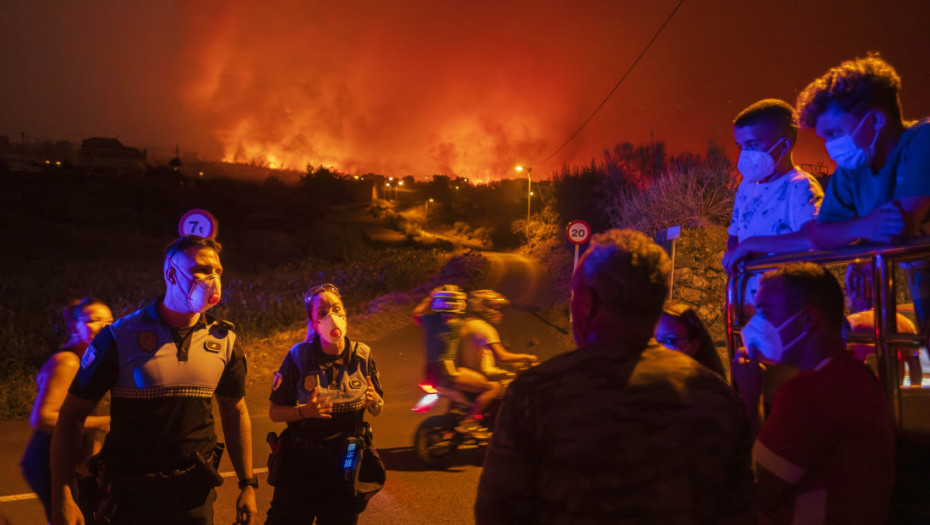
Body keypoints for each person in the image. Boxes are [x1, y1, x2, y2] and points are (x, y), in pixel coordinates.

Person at [476, 229, 754, 523]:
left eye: (574, 294)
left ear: (587, 303)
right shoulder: (714, 395)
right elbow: (740, 509)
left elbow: (497, 511)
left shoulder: (537, 392)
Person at [50, 235, 256, 525]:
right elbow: (71, 415)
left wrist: (248, 483)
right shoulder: (119, 337)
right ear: (171, 272)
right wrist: (62, 494)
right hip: (131, 497)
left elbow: (235, 410)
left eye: (217, 271)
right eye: (201, 270)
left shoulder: (225, 341)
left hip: (194, 496)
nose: (212, 279)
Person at [733, 262, 895, 524]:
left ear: (807, 319)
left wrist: (750, 397)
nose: (755, 324)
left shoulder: (808, 394)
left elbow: (753, 493)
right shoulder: (856, 375)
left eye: (765, 313)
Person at [797, 53, 930, 328]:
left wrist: (859, 241)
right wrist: (864, 229)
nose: (830, 146)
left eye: (835, 133)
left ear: (876, 120)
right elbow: (821, 234)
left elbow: (900, 225)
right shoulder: (853, 167)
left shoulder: (923, 140)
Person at [266, 283, 384, 525]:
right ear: (313, 321)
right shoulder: (298, 356)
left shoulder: (363, 355)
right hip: (301, 466)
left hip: (346, 467)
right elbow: (274, 413)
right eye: (322, 313)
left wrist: (375, 403)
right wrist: (304, 412)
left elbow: (377, 407)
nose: (332, 317)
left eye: (337, 309)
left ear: (345, 314)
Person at [21, 298, 113, 523]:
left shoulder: (89, 359)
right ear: (74, 326)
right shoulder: (67, 362)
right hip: (50, 461)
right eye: (93, 320)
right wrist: (103, 421)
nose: (104, 325)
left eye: (109, 320)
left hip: (72, 461)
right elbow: (42, 417)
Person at [722, 98, 824, 287]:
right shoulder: (745, 188)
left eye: (752, 145)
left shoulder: (800, 185)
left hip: (788, 298)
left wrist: (751, 245)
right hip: (747, 298)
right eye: (741, 146)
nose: (744, 154)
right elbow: (734, 236)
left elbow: (813, 238)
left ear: (784, 146)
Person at [452, 290, 537, 438]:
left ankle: (489, 419)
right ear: (483, 307)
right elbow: (501, 356)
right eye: (495, 307)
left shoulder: (463, 324)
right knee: (516, 386)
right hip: (482, 374)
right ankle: (485, 423)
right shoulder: (484, 328)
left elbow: (491, 356)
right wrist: (527, 357)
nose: (498, 311)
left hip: (466, 373)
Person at [843, 260, 921, 384]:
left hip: (861, 397)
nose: (847, 299)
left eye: (848, 290)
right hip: (893, 396)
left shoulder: (850, 324)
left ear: (859, 289)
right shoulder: (906, 324)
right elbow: (916, 375)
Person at [412, 284, 466, 388]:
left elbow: (416, 314)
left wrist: (429, 298)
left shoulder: (429, 320)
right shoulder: (457, 323)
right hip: (448, 369)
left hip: (430, 369)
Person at [655, 302, 727, 379]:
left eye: (669, 340)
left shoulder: (707, 388)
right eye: (652, 339)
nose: (657, 348)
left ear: (693, 347)